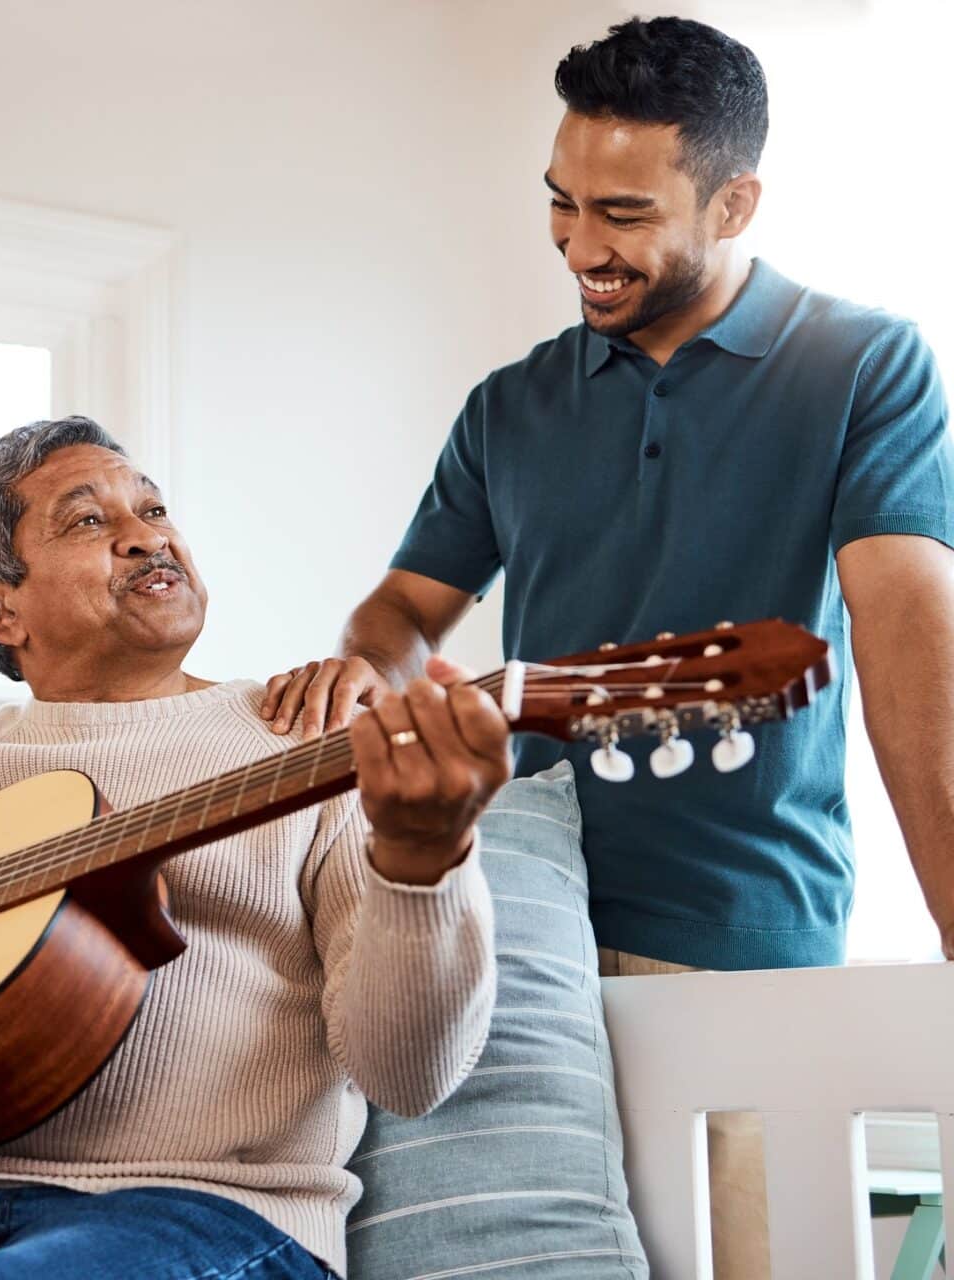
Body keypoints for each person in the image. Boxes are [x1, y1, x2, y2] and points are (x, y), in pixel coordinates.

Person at [259, 16, 954, 1279]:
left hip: (742, 941)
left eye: (622, 213)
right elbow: (401, 615)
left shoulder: (863, 365)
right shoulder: (507, 405)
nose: (580, 245)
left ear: (734, 199)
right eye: (558, 202)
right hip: (515, 938)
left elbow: (915, 670)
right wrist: (374, 671)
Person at [0, 416, 509, 1279]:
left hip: (200, 1215)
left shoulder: (313, 739)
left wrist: (423, 860)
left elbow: (410, 1077)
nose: (148, 535)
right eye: (87, 520)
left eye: (152, 508)